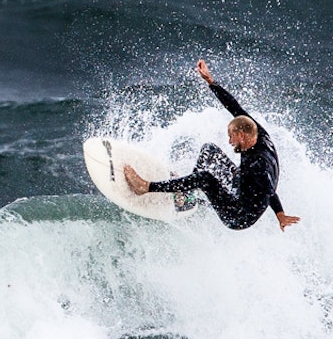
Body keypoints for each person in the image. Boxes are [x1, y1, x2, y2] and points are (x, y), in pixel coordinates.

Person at [124, 60, 301, 231]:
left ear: (241, 135)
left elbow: (269, 190)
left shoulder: (259, 164)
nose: (230, 141)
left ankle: (145, 187)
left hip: (239, 215)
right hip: (243, 184)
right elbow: (234, 106)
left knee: (205, 178)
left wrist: (280, 214)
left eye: (231, 137)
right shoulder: (255, 131)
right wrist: (211, 81)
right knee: (210, 150)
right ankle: (186, 194)